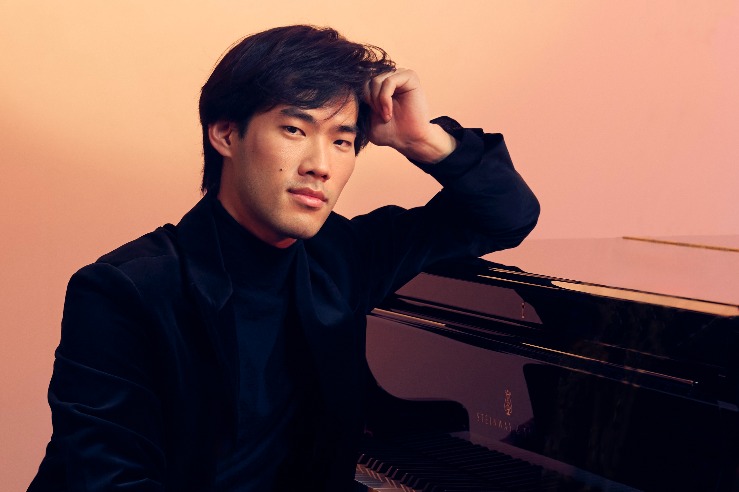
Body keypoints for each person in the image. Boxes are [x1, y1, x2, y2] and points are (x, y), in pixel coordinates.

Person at [28, 25, 540, 491]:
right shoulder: (124, 290)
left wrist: (423, 139)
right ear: (226, 134)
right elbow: (111, 482)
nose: (321, 165)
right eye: (295, 130)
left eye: (342, 141)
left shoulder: (344, 255)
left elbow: (506, 216)